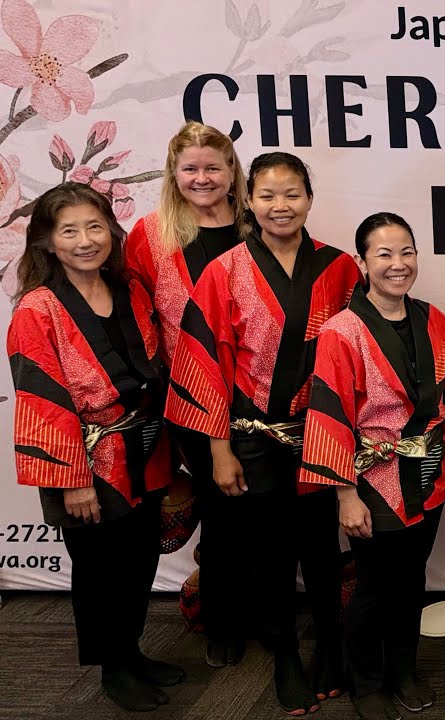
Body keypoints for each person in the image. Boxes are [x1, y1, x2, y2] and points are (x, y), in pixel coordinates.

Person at [165, 153, 362, 715]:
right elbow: (205, 363)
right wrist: (219, 450)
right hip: (250, 435)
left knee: (323, 546)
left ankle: (329, 642)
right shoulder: (224, 270)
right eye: (269, 195)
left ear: (309, 198)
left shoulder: (339, 267)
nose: (281, 205)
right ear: (249, 200)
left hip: (317, 430)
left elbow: (355, 351)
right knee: (269, 552)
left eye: (293, 193)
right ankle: (285, 657)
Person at [8, 183, 182, 711]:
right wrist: (73, 481)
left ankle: (131, 652)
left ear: (111, 231)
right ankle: (113, 669)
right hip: (86, 462)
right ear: (46, 241)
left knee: (138, 561)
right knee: (99, 570)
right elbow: (42, 400)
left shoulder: (129, 288)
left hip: (144, 448)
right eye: (70, 231)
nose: (86, 241)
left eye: (95, 227)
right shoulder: (37, 310)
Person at [299, 212, 445, 720]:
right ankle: (366, 681)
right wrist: (344, 494)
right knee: (374, 585)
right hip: (371, 477)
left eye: (406, 252)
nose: (398, 264)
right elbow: (329, 415)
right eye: (384, 254)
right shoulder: (341, 332)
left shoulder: (433, 319)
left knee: (413, 579)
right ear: (363, 262)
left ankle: (404, 672)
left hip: (427, 470)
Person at [124, 120, 251, 668]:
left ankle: (264, 611)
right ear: (174, 174)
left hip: (259, 395)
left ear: (231, 172)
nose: (202, 178)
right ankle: (222, 621)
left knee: (262, 511)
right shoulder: (151, 234)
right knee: (222, 512)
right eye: (190, 168)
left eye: (213, 167)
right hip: (191, 397)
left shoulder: (255, 225)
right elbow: (134, 315)